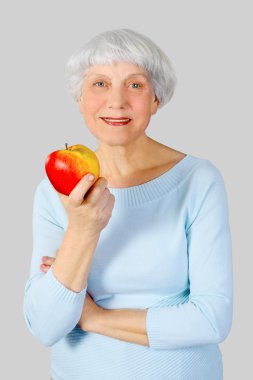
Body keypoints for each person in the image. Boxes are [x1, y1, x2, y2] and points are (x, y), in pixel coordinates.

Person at [23, 28, 233, 380]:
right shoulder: (55, 190)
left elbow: (211, 319)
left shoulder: (198, 180)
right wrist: (82, 228)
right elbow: (45, 327)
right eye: (100, 84)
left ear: (156, 99)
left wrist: (93, 317)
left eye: (135, 85)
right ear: (79, 98)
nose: (116, 101)